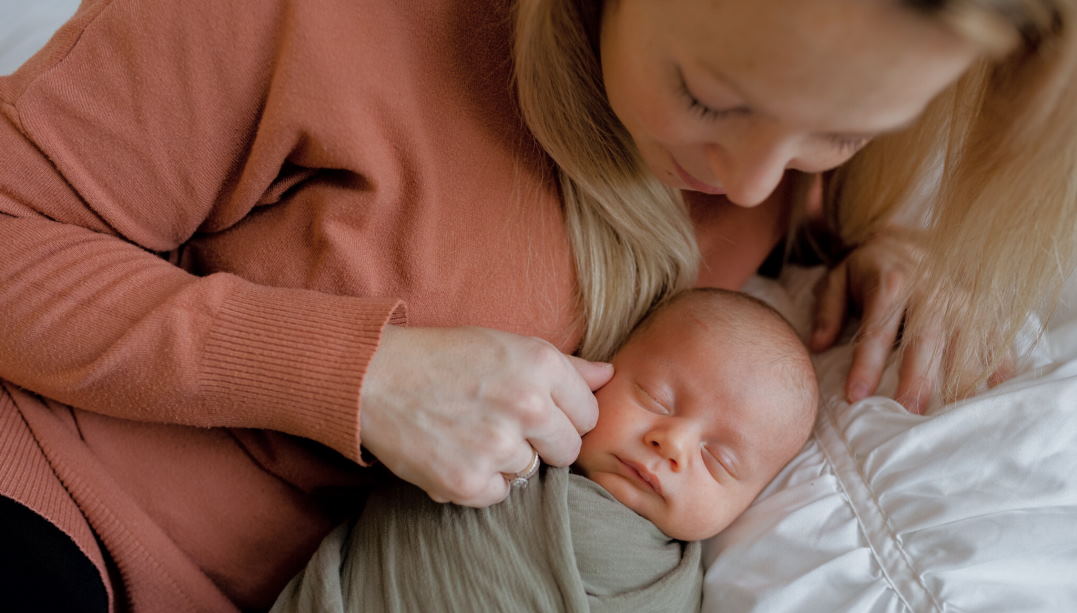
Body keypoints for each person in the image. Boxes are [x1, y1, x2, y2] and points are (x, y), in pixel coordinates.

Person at [0, 0, 1072, 610]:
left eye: (840, 132)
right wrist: (360, 376)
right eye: (708, 97)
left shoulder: (791, 149)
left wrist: (896, 245)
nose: (751, 182)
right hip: (53, 505)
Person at [269, 288, 819, 613]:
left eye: (719, 460)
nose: (672, 442)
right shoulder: (498, 443)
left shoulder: (672, 592)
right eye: (655, 396)